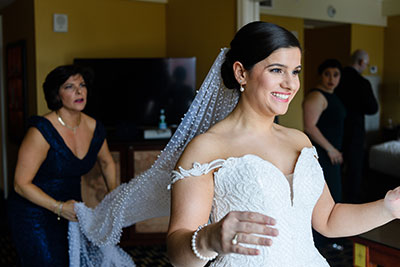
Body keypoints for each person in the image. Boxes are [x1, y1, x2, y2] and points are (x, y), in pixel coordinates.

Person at [166, 22, 400, 267]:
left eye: (295, 71)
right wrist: (209, 239)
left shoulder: (300, 141)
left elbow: (329, 219)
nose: (290, 84)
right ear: (241, 73)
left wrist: (389, 207)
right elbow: (177, 253)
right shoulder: (207, 149)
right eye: (277, 70)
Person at [7, 65, 118, 267]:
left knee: (70, 261)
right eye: (69, 86)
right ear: (56, 94)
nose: (79, 91)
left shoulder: (95, 127)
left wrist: (114, 196)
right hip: (34, 213)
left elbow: (107, 161)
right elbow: (20, 184)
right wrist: (58, 208)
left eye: (82, 85)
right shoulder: (41, 131)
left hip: (71, 209)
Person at [303, 59, 346, 251]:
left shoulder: (332, 95)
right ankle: (320, 243)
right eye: (327, 74)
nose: (331, 78)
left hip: (331, 154)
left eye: (335, 75)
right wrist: (330, 149)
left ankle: (330, 240)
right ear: (321, 75)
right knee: (324, 199)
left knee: (334, 196)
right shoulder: (316, 96)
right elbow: (309, 127)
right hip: (322, 155)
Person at [335, 49, 379, 203]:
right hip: (355, 131)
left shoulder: (337, 77)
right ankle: (352, 203)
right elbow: (373, 108)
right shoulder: (362, 82)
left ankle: (336, 199)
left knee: (337, 168)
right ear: (361, 62)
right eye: (366, 64)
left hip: (336, 130)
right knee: (354, 169)